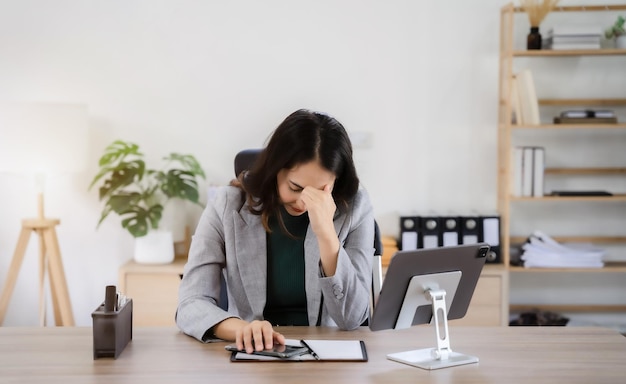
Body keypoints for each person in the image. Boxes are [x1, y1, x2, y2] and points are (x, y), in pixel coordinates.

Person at [176, 109, 374, 353]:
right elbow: (190, 303)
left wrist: (326, 235)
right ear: (275, 169)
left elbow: (353, 318)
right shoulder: (228, 205)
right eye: (295, 187)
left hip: (327, 355)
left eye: (320, 190)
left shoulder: (355, 207)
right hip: (254, 352)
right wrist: (241, 329)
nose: (304, 202)